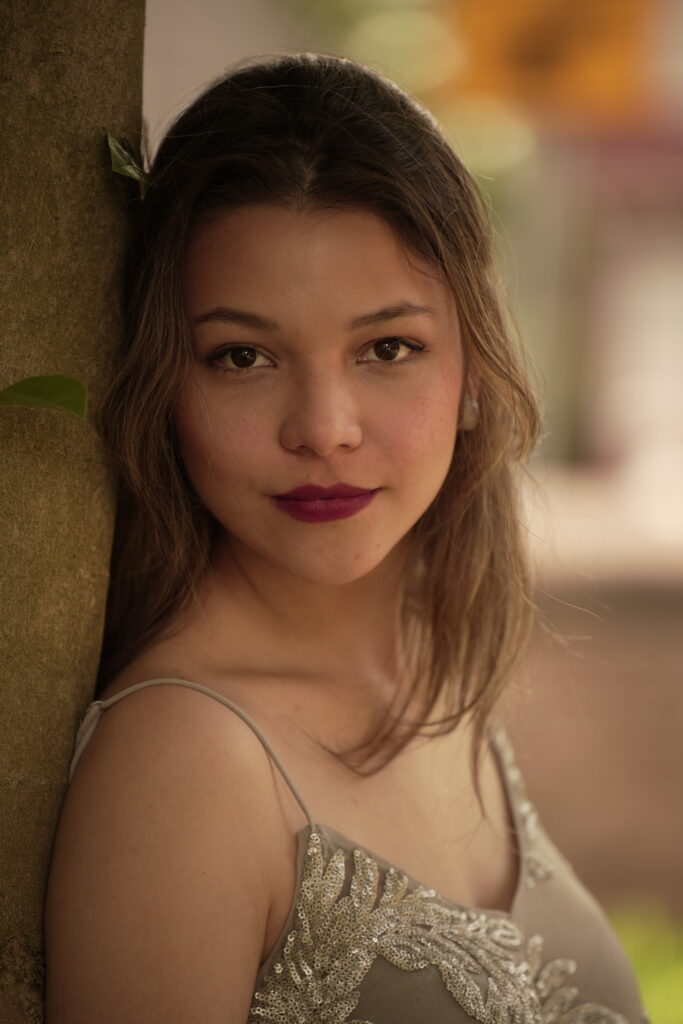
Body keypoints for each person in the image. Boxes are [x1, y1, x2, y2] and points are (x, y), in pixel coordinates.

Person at [43, 51, 649, 1024]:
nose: (322, 426)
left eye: (386, 348)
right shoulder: (183, 760)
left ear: (473, 371)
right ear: (166, 389)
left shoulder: (433, 661)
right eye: (242, 355)